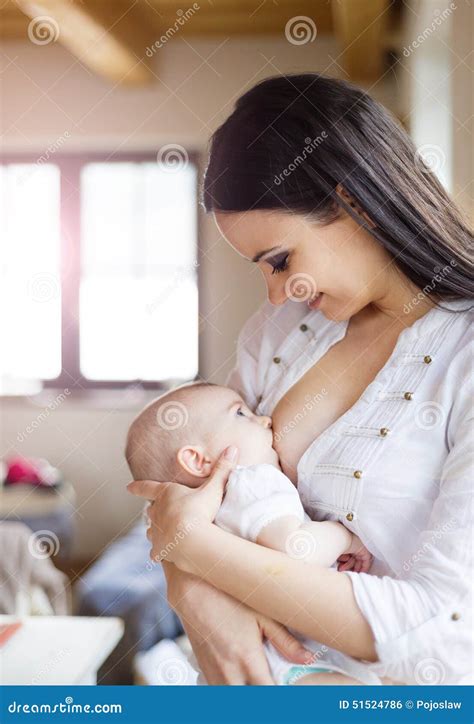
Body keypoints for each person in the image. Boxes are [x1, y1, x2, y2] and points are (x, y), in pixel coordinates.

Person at [129, 74, 473, 685]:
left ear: (355, 203)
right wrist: (194, 595)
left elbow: (442, 631)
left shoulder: (461, 354)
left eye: (281, 260)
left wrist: (191, 549)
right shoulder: (281, 335)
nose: (276, 292)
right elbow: (195, 482)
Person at [126, 382, 377, 685]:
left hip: (252, 661)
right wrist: (345, 537)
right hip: (289, 661)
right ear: (199, 460)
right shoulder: (252, 482)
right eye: (241, 413)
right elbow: (296, 549)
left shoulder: (204, 508)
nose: (265, 420)